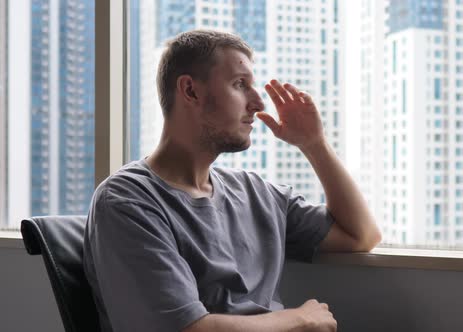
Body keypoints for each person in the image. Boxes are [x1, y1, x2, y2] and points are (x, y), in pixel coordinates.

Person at [83, 29, 381, 332]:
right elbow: (186, 329)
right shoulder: (126, 199)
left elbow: (361, 235)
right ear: (190, 91)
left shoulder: (255, 192)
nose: (258, 103)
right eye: (240, 84)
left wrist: (314, 144)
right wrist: (300, 318)